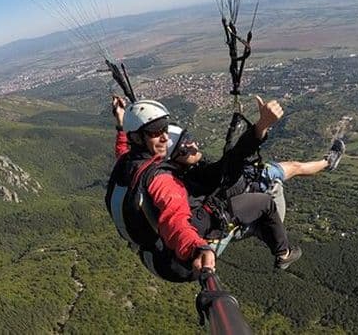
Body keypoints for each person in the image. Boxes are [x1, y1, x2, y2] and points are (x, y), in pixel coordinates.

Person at [106, 95, 302, 283]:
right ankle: (283, 253)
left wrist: (121, 120)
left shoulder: (128, 163)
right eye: (155, 132)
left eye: (164, 129)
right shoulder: (163, 180)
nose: (164, 137)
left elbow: (122, 148)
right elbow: (174, 219)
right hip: (183, 263)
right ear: (138, 138)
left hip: (155, 257)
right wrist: (197, 248)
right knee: (265, 202)